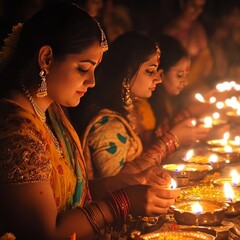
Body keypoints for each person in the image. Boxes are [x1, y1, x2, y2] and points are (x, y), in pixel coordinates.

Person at [0, 2, 181, 240]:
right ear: (46, 58)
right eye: (83, 68)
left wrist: (129, 182)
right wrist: (123, 202)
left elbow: (75, 196)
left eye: (95, 69)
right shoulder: (15, 131)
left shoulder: (51, 112)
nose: (92, 81)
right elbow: (48, 234)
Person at [68, 31, 210, 180]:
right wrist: (172, 140)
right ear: (127, 72)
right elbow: (118, 183)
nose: (158, 79)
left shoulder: (137, 110)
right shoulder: (107, 125)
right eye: (150, 71)